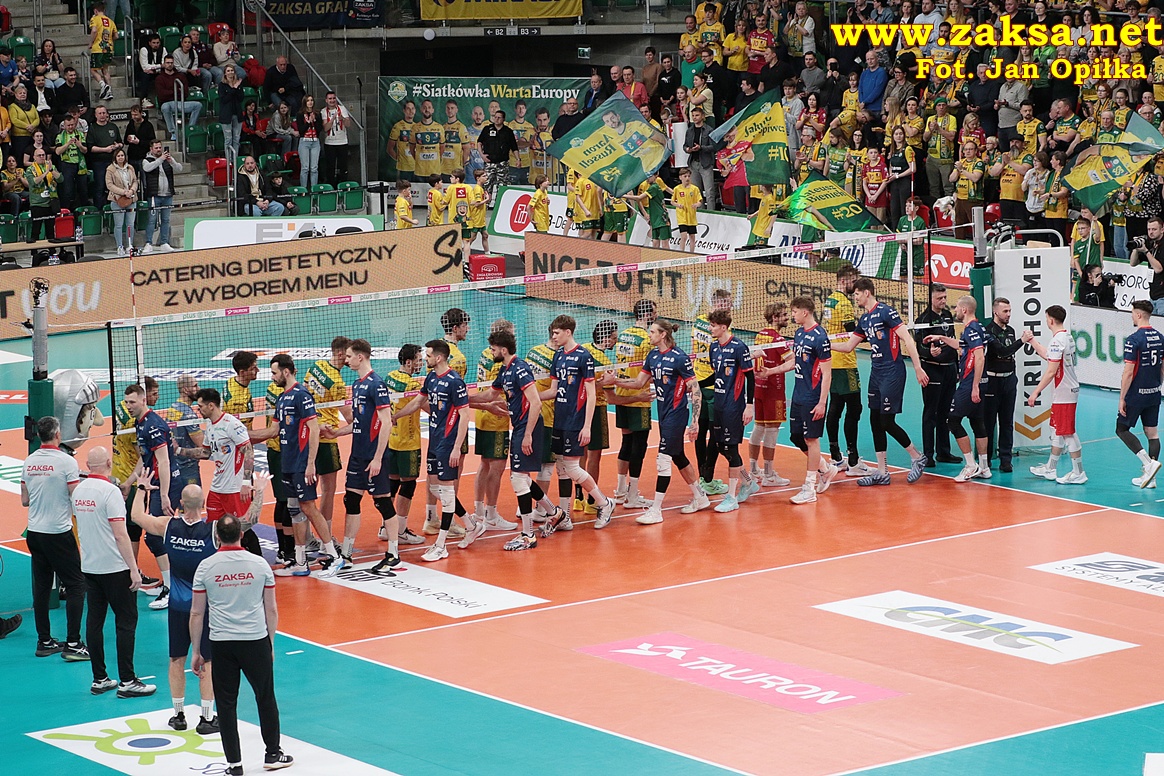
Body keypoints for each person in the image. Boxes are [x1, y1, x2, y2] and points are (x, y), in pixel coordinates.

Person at [190, 515, 293, 776]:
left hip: (222, 643)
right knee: (265, 696)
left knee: (226, 705)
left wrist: (197, 651)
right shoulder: (259, 565)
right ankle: (273, 753)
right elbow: (271, 609)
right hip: (255, 640)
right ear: (242, 535)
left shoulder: (205, 567)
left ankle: (234, 764)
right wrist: (270, 643)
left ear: (217, 537)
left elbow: (197, 613)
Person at [249, 354, 346, 576]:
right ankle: (300, 562)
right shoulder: (282, 398)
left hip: (301, 464)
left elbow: (313, 429)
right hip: (288, 463)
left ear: (286, 372)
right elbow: (273, 431)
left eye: (274, 373)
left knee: (308, 507)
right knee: (294, 510)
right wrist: (243, 435)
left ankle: (334, 557)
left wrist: (311, 463)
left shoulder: (302, 395)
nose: (272, 377)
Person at [607, 319, 711, 524]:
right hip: (663, 415)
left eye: (653, 332)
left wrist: (695, 422)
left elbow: (695, 389)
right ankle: (700, 497)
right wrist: (615, 381)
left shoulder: (679, 358)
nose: (649, 335)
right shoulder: (653, 356)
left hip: (676, 414)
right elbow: (639, 382)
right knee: (678, 455)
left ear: (663, 334)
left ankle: (656, 510)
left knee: (663, 459)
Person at [73, 446, 155, 698]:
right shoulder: (110, 492)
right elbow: (120, 535)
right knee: (126, 622)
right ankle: (127, 681)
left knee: (94, 622)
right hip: (115, 568)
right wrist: (134, 569)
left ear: (88, 465)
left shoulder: (79, 491)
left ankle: (99, 679)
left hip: (90, 567)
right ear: (109, 463)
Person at [832, 278, 931, 485]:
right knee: (874, 420)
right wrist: (826, 344)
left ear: (866, 293)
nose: (855, 297)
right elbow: (849, 346)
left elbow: (908, 339)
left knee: (886, 421)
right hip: (876, 372)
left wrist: (918, 367)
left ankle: (917, 456)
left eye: (857, 294)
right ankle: (882, 471)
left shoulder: (886, 312)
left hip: (892, 371)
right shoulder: (864, 319)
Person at [475, 329, 562, 550]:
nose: (491, 352)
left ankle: (528, 534)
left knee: (518, 478)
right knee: (522, 477)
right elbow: (489, 395)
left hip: (528, 426)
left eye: (493, 349)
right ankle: (554, 512)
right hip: (520, 426)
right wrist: (462, 398)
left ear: (503, 350)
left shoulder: (520, 369)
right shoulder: (504, 370)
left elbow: (536, 402)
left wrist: (528, 434)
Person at [321, 339, 399, 572]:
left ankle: (393, 554)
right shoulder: (356, 385)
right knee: (351, 500)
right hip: (358, 455)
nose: (345, 360)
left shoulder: (377, 384)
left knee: (382, 502)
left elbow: (386, 423)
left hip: (374, 456)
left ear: (360, 357)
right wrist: (337, 432)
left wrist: (377, 458)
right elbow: (358, 423)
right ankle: (346, 554)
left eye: (348, 356)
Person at [391, 341, 471, 561]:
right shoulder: (431, 378)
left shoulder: (454, 381)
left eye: (427, 356)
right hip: (435, 441)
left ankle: (441, 545)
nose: (424, 359)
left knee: (446, 492)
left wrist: (457, 447)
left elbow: (465, 415)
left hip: (448, 442)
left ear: (439, 357)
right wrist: (396, 416)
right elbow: (417, 402)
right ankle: (472, 524)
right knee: (436, 488)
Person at [538, 316, 616, 532]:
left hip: (575, 419)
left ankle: (604, 503)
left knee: (572, 467)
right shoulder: (558, 356)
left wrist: (587, 426)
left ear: (568, 332)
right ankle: (564, 516)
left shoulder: (583, 356)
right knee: (562, 468)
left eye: (557, 333)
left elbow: (591, 395)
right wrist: (529, 398)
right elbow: (553, 391)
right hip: (559, 419)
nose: (553, 336)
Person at [21, 416, 87, 661]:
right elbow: (76, 498)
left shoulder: (29, 461)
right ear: (58, 435)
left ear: (40, 435)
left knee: (41, 587)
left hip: (35, 533)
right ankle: (73, 643)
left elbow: (25, 500)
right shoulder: (67, 462)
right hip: (58, 533)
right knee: (76, 585)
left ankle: (45, 641)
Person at [771, 297, 834, 505]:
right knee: (796, 436)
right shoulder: (799, 333)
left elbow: (827, 374)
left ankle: (809, 488)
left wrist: (822, 402)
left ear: (805, 312)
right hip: (798, 395)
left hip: (813, 397)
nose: (792, 315)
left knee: (811, 439)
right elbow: (795, 363)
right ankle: (825, 469)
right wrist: (770, 371)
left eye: (794, 311)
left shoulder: (820, 337)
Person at [923, 296, 993, 482]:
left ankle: (970, 465)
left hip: (970, 382)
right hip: (980, 381)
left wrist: (975, 386)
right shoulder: (978, 328)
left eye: (957, 308)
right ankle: (984, 468)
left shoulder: (971, 330)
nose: (954, 311)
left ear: (964, 310)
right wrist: (941, 338)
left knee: (952, 421)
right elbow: (962, 347)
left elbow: (979, 357)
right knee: (978, 422)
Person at [123, 383, 180, 609]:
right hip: (154, 485)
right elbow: (145, 458)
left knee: (155, 536)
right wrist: (129, 482)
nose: (129, 406)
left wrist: (164, 495)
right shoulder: (140, 423)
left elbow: (164, 461)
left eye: (132, 402)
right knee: (157, 536)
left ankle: (172, 588)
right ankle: (169, 583)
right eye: (126, 402)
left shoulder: (153, 425)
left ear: (143, 400)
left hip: (166, 485)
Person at [705, 309, 761, 512]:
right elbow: (717, 375)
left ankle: (731, 497)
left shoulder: (739, 347)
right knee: (721, 446)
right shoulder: (713, 347)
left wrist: (749, 406)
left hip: (734, 406)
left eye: (713, 326)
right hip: (719, 404)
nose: (710, 328)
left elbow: (750, 378)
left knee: (730, 448)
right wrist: (695, 385)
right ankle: (748, 482)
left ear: (723, 327)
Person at [303, 337, 353, 546]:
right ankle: (327, 538)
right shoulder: (338, 383)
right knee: (328, 490)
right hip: (326, 439)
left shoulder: (315, 367)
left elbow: (304, 392)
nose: (350, 358)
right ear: (340, 353)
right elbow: (349, 417)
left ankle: (306, 538)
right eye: (348, 354)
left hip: (307, 435)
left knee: (305, 493)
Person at [822, 265, 869, 475]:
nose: (856, 284)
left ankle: (835, 456)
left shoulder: (830, 299)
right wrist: (871, 333)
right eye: (853, 280)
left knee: (835, 407)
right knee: (855, 408)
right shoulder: (844, 303)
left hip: (832, 361)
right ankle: (853, 461)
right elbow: (852, 332)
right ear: (844, 280)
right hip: (845, 361)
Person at [474, 322, 520, 531]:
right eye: (511, 335)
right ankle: (491, 515)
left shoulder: (485, 354)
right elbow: (498, 391)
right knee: (497, 467)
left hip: (481, 416)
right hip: (496, 417)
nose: (513, 339)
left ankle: (478, 511)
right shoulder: (499, 362)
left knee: (484, 464)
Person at [612, 300, 657, 511]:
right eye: (654, 312)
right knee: (639, 447)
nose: (656, 315)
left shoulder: (623, 335)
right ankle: (632, 496)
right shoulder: (647, 341)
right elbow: (650, 371)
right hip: (639, 398)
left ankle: (621, 491)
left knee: (626, 442)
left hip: (622, 394)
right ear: (648, 314)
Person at [382, 345, 426, 548]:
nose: (421, 363)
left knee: (392, 484)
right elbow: (425, 406)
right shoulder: (412, 385)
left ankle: (386, 528)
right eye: (418, 360)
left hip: (392, 439)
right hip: (408, 442)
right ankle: (400, 530)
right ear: (408, 362)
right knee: (408, 485)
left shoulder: (390, 377)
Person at [1117, 300, 1164, 489]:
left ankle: (1147, 464)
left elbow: (1128, 372)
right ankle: (1150, 479)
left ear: (1138, 315)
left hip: (1137, 394)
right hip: (1154, 392)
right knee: (1152, 432)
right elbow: (1162, 368)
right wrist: (1158, 385)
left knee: (1121, 429)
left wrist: (1122, 398)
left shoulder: (1134, 339)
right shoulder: (1160, 337)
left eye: (1132, 313)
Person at [915, 284, 959, 467]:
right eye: (939, 298)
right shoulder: (923, 319)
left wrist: (957, 367)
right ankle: (928, 454)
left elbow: (953, 340)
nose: (943, 301)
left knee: (945, 412)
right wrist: (929, 353)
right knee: (930, 412)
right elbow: (918, 347)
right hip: (932, 370)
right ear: (930, 299)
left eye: (945, 297)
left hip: (949, 369)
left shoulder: (947, 315)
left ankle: (944, 452)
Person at [749, 304, 792, 486]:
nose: (787, 318)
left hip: (759, 387)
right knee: (772, 430)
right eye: (783, 315)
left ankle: (753, 470)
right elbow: (792, 361)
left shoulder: (760, 334)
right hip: (774, 389)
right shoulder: (778, 339)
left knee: (759, 427)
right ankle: (768, 475)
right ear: (774, 317)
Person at [983, 297, 1023, 473]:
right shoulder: (988, 331)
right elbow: (1002, 351)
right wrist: (1022, 341)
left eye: (1009, 311)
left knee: (1007, 422)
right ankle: (985, 460)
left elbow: (1009, 355)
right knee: (989, 423)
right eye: (1005, 311)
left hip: (1009, 381)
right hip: (993, 381)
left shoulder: (1011, 331)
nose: (1008, 314)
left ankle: (1006, 459)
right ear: (995, 312)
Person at [142, 140, 180, 253]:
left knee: (166, 220)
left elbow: (179, 168)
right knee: (152, 220)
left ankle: (164, 242)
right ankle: (148, 243)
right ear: (151, 149)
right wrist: (160, 160)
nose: (159, 150)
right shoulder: (146, 160)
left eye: (160, 147)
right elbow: (147, 168)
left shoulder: (167, 159)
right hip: (155, 195)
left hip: (167, 195)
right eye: (156, 148)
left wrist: (171, 161)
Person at [155, 56, 200, 143]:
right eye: (167, 63)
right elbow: (161, 94)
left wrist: (170, 92)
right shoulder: (159, 78)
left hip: (180, 102)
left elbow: (185, 92)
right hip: (167, 103)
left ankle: (189, 129)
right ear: (164, 64)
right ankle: (173, 132)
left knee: (198, 105)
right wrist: (175, 91)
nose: (170, 65)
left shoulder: (180, 76)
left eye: (171, 63)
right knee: (165, 107)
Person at [478, 109, 518, 206]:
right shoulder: (487, 129)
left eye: (499, 117)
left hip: (502, 163)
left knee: (502, 186)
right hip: (489, 162)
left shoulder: (508, 132)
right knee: (487, 184)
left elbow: (514, 147)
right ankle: (485, 205)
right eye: (495, 117)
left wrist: (518, 159)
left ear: (503, 119)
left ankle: (499, 206)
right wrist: (481, 155)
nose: (496, 119)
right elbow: (479, 142)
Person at [683, 107, 718, 211]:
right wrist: (688, 149)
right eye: (693, 115)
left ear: (703, 116)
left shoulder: (709, 130)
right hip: (693, 163)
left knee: (709, 192)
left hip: (706, 164)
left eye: (697, 115)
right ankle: (700, 213)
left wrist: (701, 147)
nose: (694, 117)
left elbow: (714, 147)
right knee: (696, 192)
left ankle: (711, 213)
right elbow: (685, 145)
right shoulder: (689, 130)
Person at [23, 146, 59, 243]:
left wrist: (52, 171)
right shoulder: (30, 169)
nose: (42, 157)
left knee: (50, 231)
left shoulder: (51, 166)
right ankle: (34, 251)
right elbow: (33, 182)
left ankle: (52, 250)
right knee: (36, 231)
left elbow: (61, 179)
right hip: (37, 203)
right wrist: (46, 172)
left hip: (50, 202)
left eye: (43, 155)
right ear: (34, 157)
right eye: (39, 155)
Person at [1131, 217, 1164, 316]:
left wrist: (1146, 251)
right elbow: (1133, 263)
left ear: (1162, 229)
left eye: (1154, 229)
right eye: (1149, 229)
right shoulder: (1151, 244)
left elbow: (1158, 269)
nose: (1151, 232)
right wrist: (1136, 248)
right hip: (1153, 295)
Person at [106, 148, 136, 256]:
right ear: (115, 157)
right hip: (117, 199)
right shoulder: (110, 169)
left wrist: (131, 190)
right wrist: (123, 192)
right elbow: (109, 185)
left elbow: (135, 181)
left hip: (131, 199)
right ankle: (119, 246)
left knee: (130, 224)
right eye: (118, 156)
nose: (120, 157)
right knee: (119, 225)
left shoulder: (130, 167)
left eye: (122, 155)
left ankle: (130, 245)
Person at [321, 91, 352, 186]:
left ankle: (343, 186)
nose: (332, 100)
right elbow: (325, 128)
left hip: (342, 141)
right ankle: (331, 187)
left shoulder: (342, 108)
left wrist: (342, 118)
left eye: (334, 98)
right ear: (326, 100)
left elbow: (348, 124)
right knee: (330, 167)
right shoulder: (324, 111)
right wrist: (333, 119)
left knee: (343, 166)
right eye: (330, 99)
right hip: (330, 143)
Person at [88, 1, 117, 101]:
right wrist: (110, 40)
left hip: (98, 49)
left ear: (95, 11)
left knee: (93, 69)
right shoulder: (110, 21)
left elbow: (94, 30)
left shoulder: (95, 19)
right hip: (109, 49)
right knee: (105, 70)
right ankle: (109, 91)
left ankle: (103, 85)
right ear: (104, 10)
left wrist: (91, 43)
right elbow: (116, 36)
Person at [672, 167, 703, 252]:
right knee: (684, 236)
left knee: (692, 236)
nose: (687, 178)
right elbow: (672, 202)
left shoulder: (694, 189)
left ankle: (692, 253)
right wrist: (678, 205)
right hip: (682, 216)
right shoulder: (677, 189)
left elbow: (700, 201)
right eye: (685, 176)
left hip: (691, 217)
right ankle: (682, 252)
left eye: (688, 176)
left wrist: (697, 204)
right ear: (680, 177)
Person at [217, 62, 244, 160]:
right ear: (225, 73)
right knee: (228, 139)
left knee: (236, 139)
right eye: (228, 71)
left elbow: (241, 98)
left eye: (232, 70)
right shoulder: (222, 85)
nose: (230, 72)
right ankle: (229, 161)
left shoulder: (238, 84)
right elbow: (224, 99)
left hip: (237, 114)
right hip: (226, 115)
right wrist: (234, 88)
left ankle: (235, 159)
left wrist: (237, 88)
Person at [295, 94, 321, 190]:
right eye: (308, 100)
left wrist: (314, 121)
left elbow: (319, 129)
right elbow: (301, 130)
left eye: (311, 100)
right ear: (305, 102)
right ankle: (303, 189)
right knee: (305, 168)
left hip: (315, 142)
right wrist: (309, 122)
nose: (310, 102)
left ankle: (314, 190)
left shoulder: (317, 114)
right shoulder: (300, 114)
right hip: (304, 141)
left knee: (314, 168)